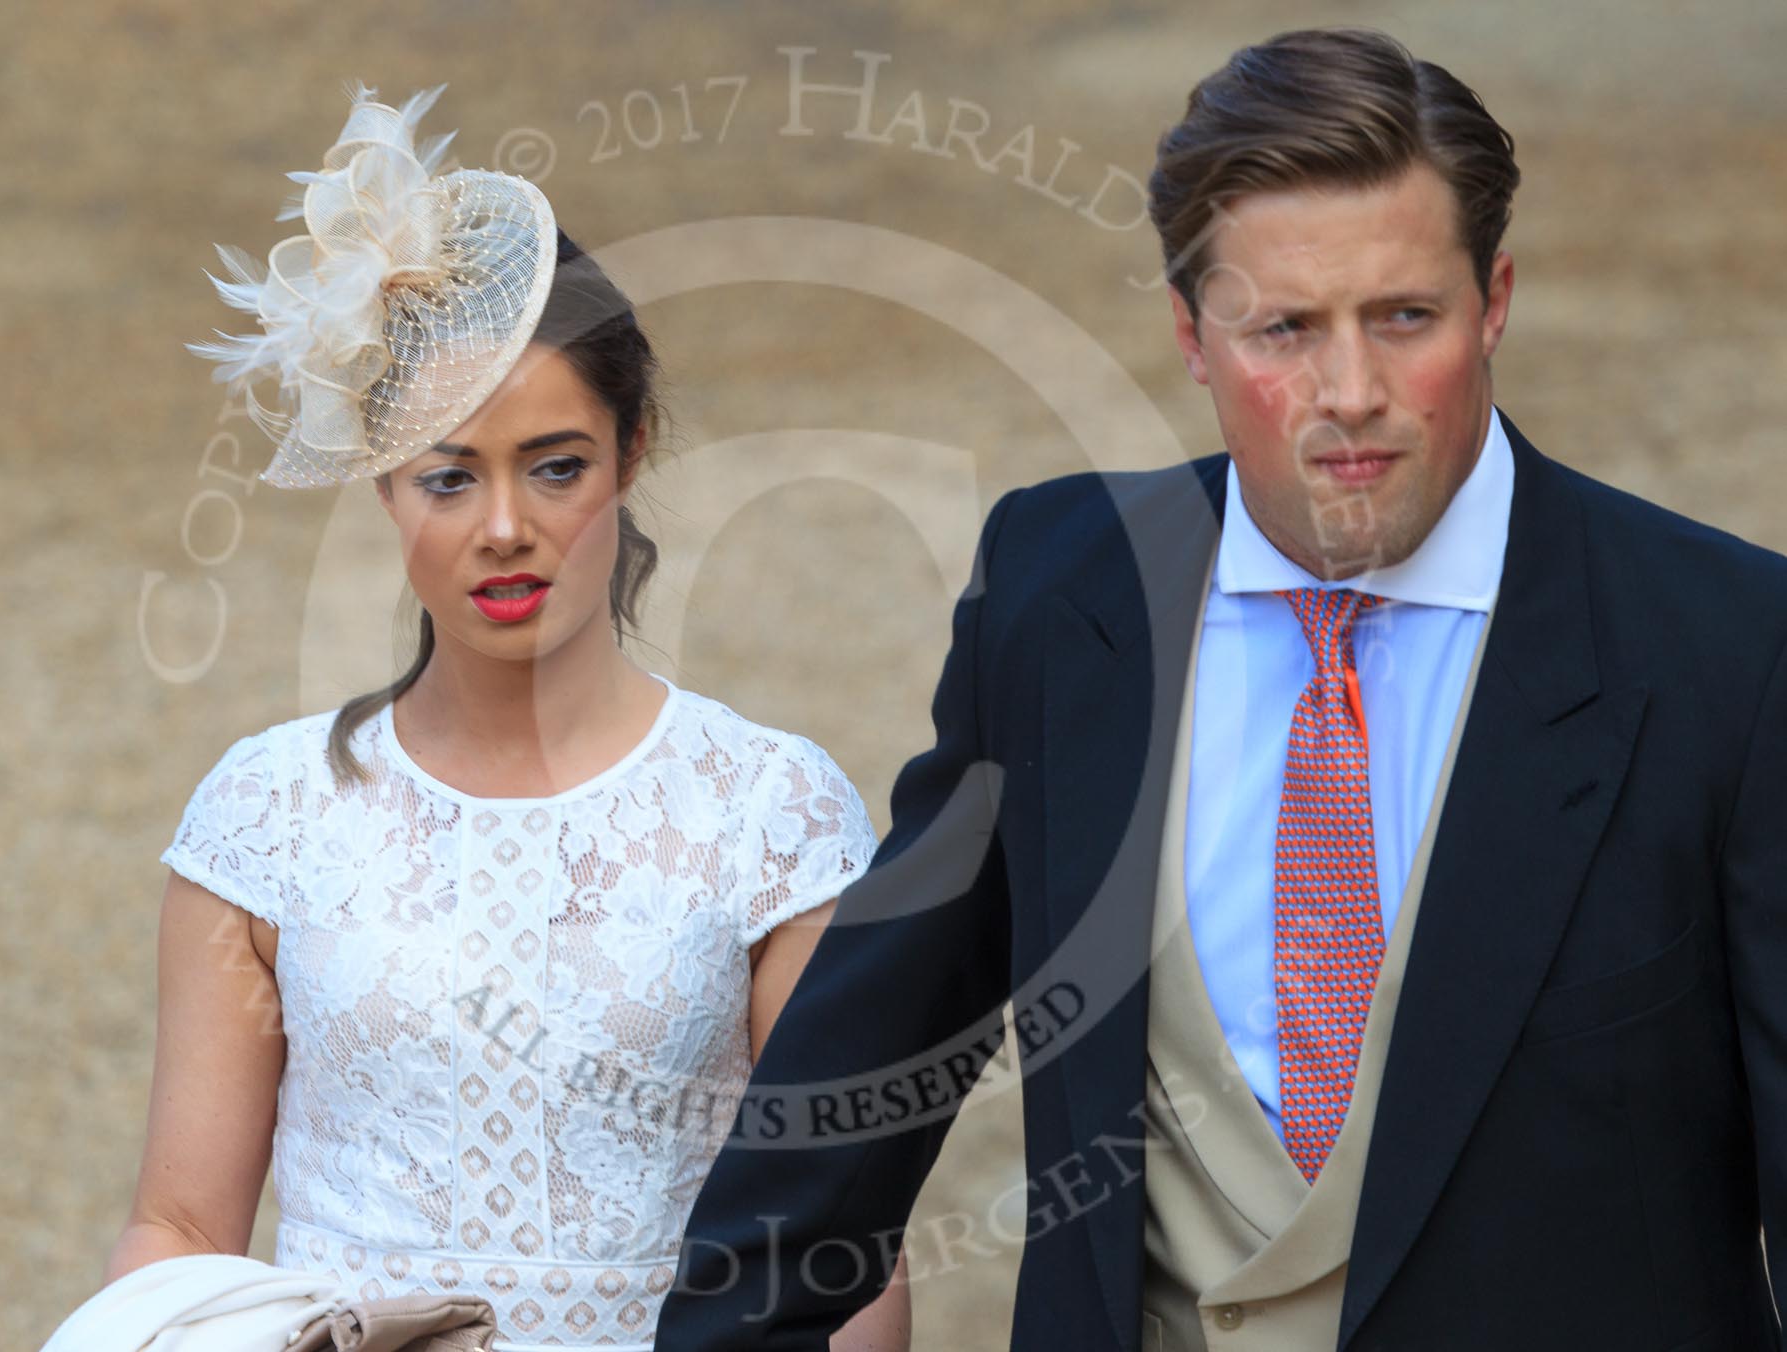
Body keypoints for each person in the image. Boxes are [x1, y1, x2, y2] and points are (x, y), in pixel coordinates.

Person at [655, 27, 1787, 1352]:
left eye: (1405, 317)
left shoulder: (1729, 651)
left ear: (1497, 302)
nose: (1350, 393)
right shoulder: (1060, 597)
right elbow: (849, 1097)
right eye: (1285, 330)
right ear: (1193, 337)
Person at [104, 84, 910, 1352]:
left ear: (631, 449)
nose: (503, 527)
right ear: (383, 478)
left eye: (555, 464)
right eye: (448, 474)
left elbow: (846, 1255)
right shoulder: (265, 815)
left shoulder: (771, 808)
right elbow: (182, 1229)